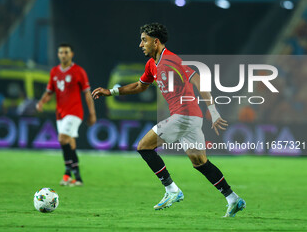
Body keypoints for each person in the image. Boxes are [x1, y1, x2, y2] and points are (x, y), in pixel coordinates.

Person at [92, 23, 246, 217]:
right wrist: (111, 91)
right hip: (191, 118)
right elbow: (140, 86)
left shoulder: (171, 60)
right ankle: (233, 199)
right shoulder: (151, 64)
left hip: (184, 115)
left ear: (156, 42)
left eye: (144, 40)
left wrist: (213, 111)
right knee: (200, 162)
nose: (141, 44)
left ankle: (172, 190)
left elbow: (197, 79)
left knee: (144, 146)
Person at [37, 43, 97, 187]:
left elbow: (87, 93)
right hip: (60, 113)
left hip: (75, 112)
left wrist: (92, 113)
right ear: (58, 55)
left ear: (71, 54)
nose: (63, 55)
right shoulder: (54, 72)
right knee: (70, 142)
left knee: (62, 138)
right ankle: (77, 177)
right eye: (61, 52)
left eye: (66, 52)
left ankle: (66, 172)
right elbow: (50, 91)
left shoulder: (78, 71)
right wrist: (41, 102)